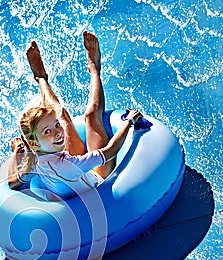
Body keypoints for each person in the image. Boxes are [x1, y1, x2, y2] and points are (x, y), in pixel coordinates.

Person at [8, 31, 143, 198]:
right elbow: (111, 151)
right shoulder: (69, 165)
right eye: (47, 132)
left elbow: (12, 182)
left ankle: (41, 78)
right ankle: (94, 68)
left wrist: (16, 154)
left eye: (56, 126)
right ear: (34, 143)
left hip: (72, 166)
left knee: (61, 113)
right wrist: (128, 122)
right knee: (92, 115)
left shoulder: (33, 162)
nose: (58, 131)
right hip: (98, 178)